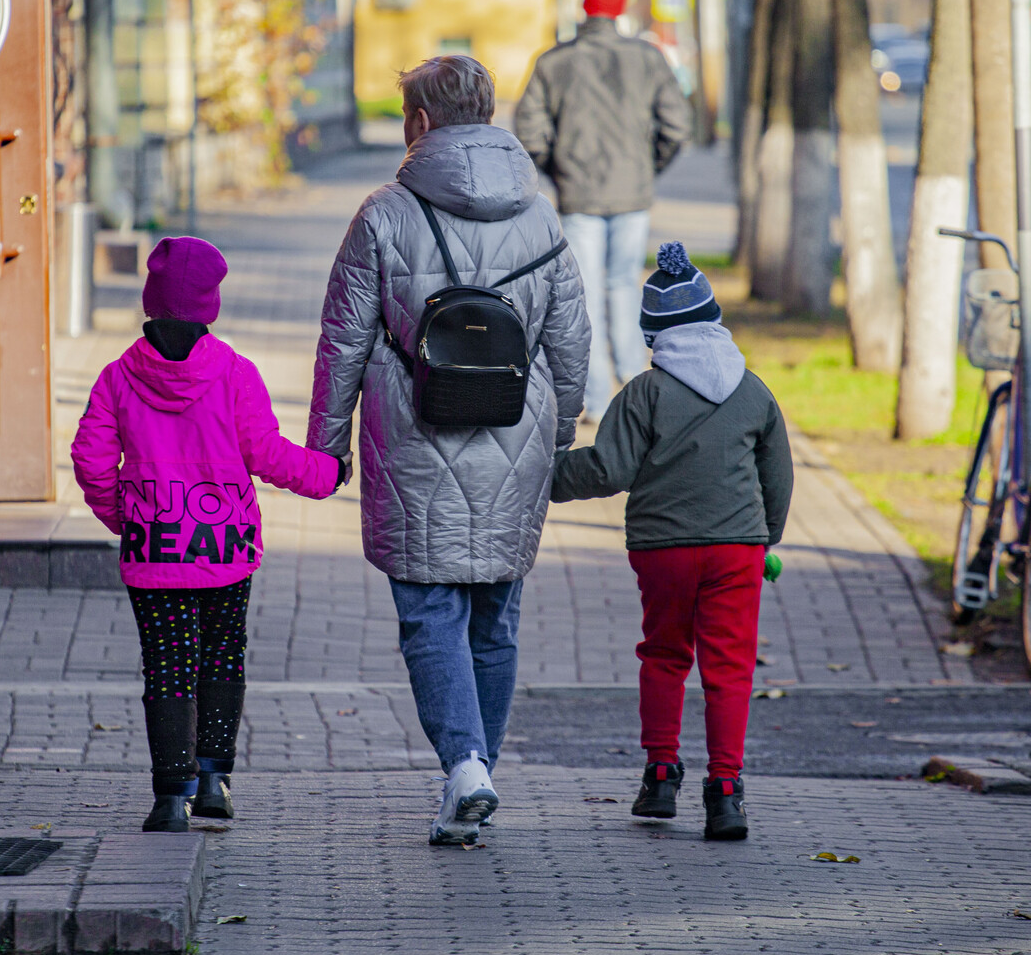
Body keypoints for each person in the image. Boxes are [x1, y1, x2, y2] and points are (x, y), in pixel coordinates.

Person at [309, 55, 589, 846]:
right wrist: (556, 439)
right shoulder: (542, 217)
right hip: (515, 439)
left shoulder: (383, 214)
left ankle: (466, 770)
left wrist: (327, 449)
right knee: (494, 621)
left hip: (413, 439)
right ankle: (476, 776)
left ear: (421, 124)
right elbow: (570, 344)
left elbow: (342, 343)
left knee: (432, 615)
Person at [73, 236, 346, 833]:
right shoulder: (234, 373)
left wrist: (129, 521)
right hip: (225, 552)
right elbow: (266, 453)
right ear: (210, 305)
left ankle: (170, 797)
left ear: (151, 301)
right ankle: (214, 780)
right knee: (223, 655)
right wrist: (329, 474)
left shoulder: (117, 376)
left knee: (166, 665)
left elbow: (92, 460)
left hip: (155, 552)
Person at [550, 242, 793, 841]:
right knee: (729, 669)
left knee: (664, 655)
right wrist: (765, 541)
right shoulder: (754, 391)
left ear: (653, 336)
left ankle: (660, 775)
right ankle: (727, 792)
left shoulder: (644, 392)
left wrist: (544, 477)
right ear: (714, 319)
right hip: (737, 547)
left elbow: (608, 468)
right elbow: (778, 476)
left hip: (662, 550)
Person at [515, 0, 692, 420]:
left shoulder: (554, 62)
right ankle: (635, 387)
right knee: (625, 287)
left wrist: (558, 169)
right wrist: (647, 168)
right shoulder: (647, 59)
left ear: (584, 7)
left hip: (579, 196)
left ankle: (595, 401)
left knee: (585, 298)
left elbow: (529, 129)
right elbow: (677, 125)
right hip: (633, 195)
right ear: (621, 7)